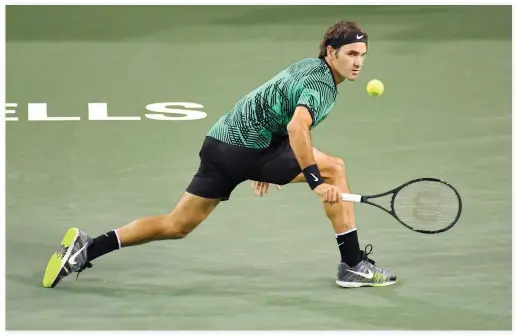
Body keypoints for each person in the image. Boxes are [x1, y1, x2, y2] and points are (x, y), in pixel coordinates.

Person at [42, 20, 397, 289]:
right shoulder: (322, 86)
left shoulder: (307, 67)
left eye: (362, 56)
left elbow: (269, 110)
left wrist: (269, 161)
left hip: (220, 142)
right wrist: (315, 181)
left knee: (176, 224)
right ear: (331, 53)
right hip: (249, 151)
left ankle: (86, 249)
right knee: (334, 169)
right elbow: (296, 128)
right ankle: (352, 265)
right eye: (351, 54)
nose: (358, 63)